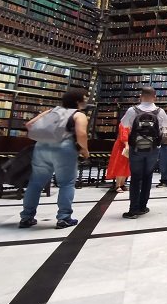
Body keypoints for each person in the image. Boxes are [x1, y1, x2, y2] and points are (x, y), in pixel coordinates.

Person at [18, 88, 90, 229]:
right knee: (66, 183)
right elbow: (81, 133)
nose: (87, 100)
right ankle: (64, 218)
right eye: (85, 97)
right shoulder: (78, 115)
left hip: (41, 148)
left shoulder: (51, 111)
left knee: (35, 184)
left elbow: (29, 124)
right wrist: (85, 150)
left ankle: (26, 217)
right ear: (78, 101)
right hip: (64, 149)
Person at [120, 87, 167, 219]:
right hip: (153, 149)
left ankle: (133, 210)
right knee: (148, 177)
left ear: (140, 96)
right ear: (155, 97)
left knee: (136, 178)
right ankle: (143, 206)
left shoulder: (132, 110)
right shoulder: (160, 111)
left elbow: (124, 124)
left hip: (136, 148)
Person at [105, 122, 130, 193]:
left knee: (126, 165)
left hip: (127, 145)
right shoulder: (124, 123)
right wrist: (126, 145)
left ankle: (122, 184)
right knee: (120, 165)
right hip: (122, 146)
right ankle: (118, 185)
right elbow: (124, 135)